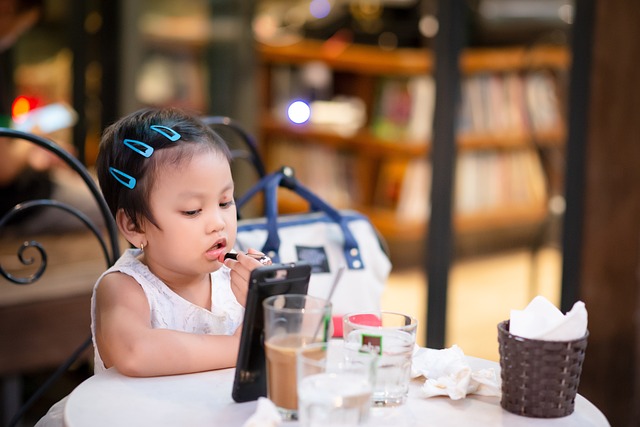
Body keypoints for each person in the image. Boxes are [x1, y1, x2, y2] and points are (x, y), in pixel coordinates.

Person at [35, 107, 270, 425]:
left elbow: (292, 343)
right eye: (192, 211)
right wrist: (239, 346)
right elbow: (136, 352)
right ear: (134, 226)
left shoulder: (235, 275)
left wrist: (268, 300)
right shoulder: (125, 286)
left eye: (226, 202)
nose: (218, 223)